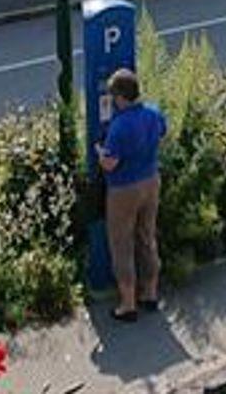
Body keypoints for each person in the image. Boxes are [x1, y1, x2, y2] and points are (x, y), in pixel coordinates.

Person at [97, 67, 167, 323]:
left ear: (119, 97)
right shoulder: (153, 113)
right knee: (147, 237)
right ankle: (150, 293)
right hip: (151, 181)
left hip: (124, 189)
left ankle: (127, 305)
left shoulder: (119, 125)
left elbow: (110, 164)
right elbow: (162, 133)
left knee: (122, 243)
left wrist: (100, 153)